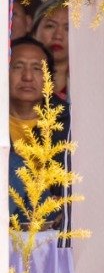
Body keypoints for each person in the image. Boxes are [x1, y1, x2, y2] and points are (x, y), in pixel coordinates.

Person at [9, 37, 68, 223]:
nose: (27, 77)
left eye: (37, 69)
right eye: (18, 67)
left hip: (54, 221)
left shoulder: (69, 121)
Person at [29, 0, 69, 101]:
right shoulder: (20, 78)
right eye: (50, 26)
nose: (58, 36)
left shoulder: (89, 82)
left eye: (68, 29)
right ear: (34, 32)